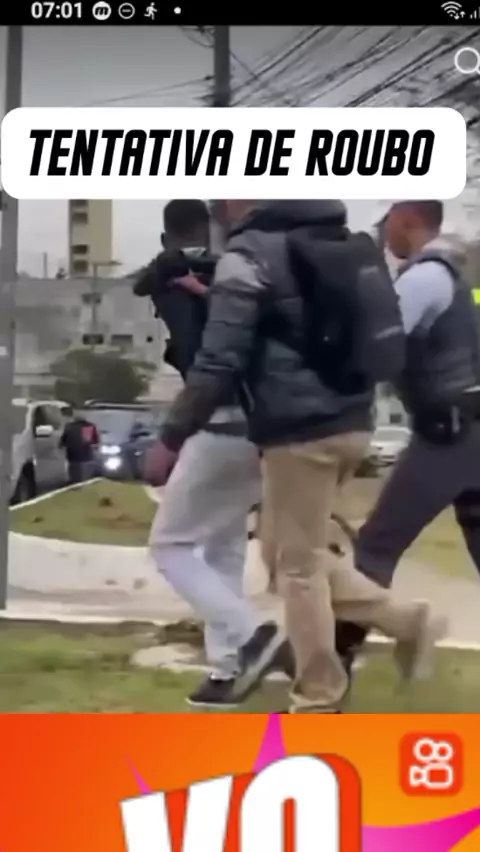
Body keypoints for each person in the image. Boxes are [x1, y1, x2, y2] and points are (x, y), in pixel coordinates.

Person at [145, 199, 447, 714]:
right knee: (287, 554)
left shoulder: (250, 254)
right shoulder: (338, 243)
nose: (221, 209)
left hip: (298, 431)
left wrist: (172, 436)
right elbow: (293, 319)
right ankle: (407, 620)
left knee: (297, 569)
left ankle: (317, 694)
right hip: (353, 422)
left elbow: (218, 359)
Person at [134, 199, 291, 708]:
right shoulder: (244, 274)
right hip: (265, 427)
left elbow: (205, 360)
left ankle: (254, 634)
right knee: (224, 547)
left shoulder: (173, 280)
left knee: (170, 546)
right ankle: (226, 670)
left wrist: (172, 437)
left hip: (218, 425)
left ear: (166, 238)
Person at [336, 200, 480, 661]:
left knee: (376, 546)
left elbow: (378, 347)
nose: (385, 236)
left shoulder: (424, 278)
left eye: (387, 225)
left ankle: (334, 664)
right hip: (468, 431)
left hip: (447, 436)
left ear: (405, 219)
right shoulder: (452, 275)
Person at [60, 412, 99, 483]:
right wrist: (95, 447)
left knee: (73, 468)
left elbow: (64, 439)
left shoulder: (69, 426)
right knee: (85, 470)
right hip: (85, 454)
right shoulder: (89, 426)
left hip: (72, 453)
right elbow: (91, 441)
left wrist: (61, 445)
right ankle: (83, 480)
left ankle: (73, 480)